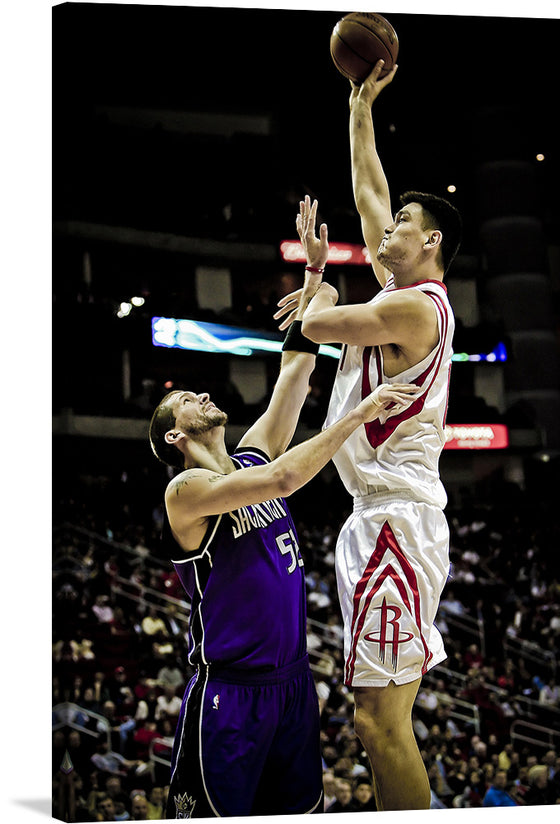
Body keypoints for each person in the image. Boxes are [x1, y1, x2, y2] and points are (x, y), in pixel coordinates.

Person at [148, 273, 419, 819]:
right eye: (186, 401)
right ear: (176, 437)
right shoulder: (186, 492)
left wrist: (315, 281)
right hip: (230, 696)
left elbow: (295, 370)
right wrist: (359, 413)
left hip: (292, 684)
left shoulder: (252, 455)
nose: (203, 395)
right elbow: (283, 482)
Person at [275, 57, 462, 813]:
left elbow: (315, 323)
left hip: (398, 519)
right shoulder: (401, 286)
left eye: (403, 228)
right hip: (374, 515)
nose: (388, 231)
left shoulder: (417, 308)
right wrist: (359, 107)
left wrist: (317, 275)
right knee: (370, 724)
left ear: (431, 242)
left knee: (382, 726)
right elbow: (369, 189)